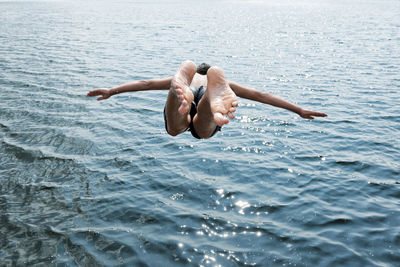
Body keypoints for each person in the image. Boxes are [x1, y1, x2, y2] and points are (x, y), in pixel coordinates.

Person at [87, 60, 327, 139]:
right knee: (203, 126)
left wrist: (112, 90)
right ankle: (209, 103)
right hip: (207, 97)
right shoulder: (223, 86)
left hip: (187, 90)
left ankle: (178, 88)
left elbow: (145, 84)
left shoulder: (190, 80)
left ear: (196, 74)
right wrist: (298, 109)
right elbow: (261, 96)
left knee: (175, 128)